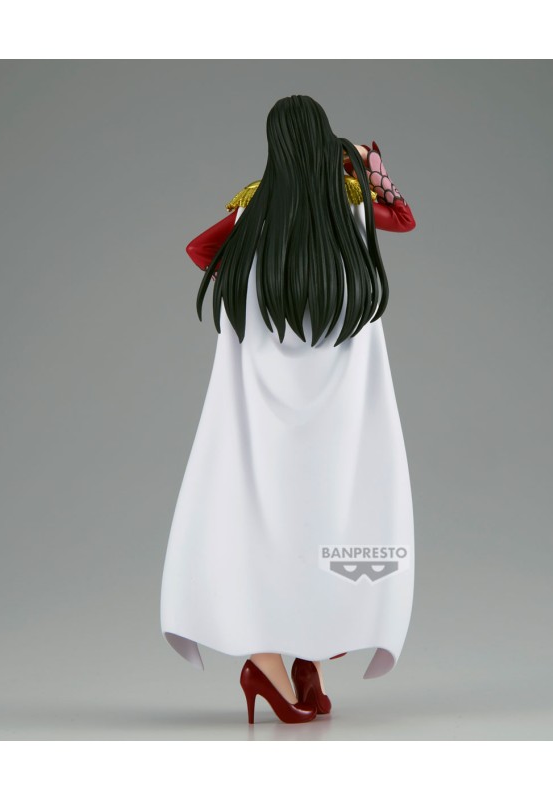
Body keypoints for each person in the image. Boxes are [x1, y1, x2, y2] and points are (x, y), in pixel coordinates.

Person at [160, 95, 417, 724]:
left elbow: (199, 251)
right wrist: (369, 167)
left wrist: (259, 269)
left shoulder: (254, 214)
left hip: (261, 415)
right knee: (333, 525)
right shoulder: (352, 212)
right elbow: (403, 218)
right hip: (340, 416)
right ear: (325, 141)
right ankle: (299, 660)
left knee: (263, 526)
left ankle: (287, 660)